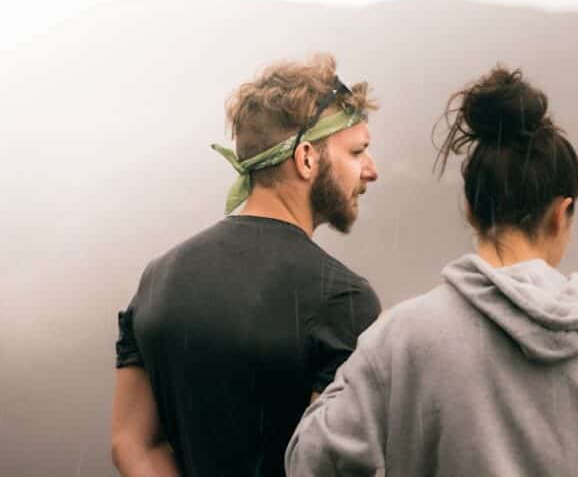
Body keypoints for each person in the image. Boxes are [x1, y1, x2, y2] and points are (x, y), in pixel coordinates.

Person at [285, 66, 578, 477]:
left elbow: (312, 463)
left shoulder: (403, 335)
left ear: (471, 210)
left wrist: (363, 355)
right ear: (560, 214)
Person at [111, 54, 383, 477]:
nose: (371, 171)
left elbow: (133, 443)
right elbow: (327, 466)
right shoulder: (340, 298)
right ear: (307, 158)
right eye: (358, 151)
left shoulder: (159, 276)